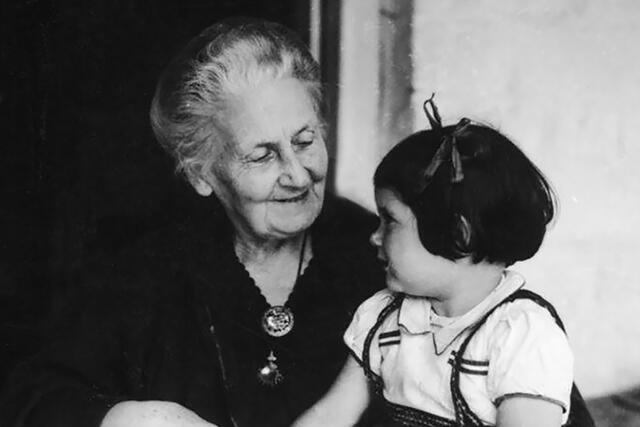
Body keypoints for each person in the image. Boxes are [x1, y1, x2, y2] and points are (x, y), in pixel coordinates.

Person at [0, 18, 384, 427]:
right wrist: (130, 418)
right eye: (262, 156)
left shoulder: (379, 252)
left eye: (305, 141)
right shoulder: (146, 270)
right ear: (203, 175)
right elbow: (33, 398)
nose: (298, 174)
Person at [294, 97, 578, 427]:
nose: (374, 236)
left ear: (457, 234)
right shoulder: (383, 318)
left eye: (389, 220)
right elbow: (333, 414)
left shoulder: (519, 335)